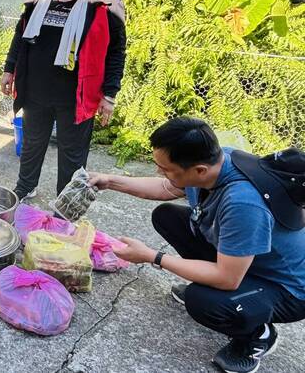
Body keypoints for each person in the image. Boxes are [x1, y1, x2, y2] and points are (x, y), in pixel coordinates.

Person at [89, 117, 305, 373]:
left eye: (166, 168)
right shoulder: (219, 159)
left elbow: (227, 279)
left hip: (288, 290)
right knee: (167, 217)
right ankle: (215, 287)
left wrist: (152, 256)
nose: (160, 172)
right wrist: (109, 181)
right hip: (247, 261)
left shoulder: (242, 204)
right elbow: (166, 187)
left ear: (199, 170)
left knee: (203, 301)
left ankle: (257, 335)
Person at [1, 0, 126, 200]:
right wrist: (10, 68)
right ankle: (24, 188)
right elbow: (20, 33)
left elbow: (116, 51)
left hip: (76, 95)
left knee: (72, 153)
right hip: (35, 88)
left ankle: (65, 199)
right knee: (32, 144)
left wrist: (109, 94)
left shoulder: (104, 0)